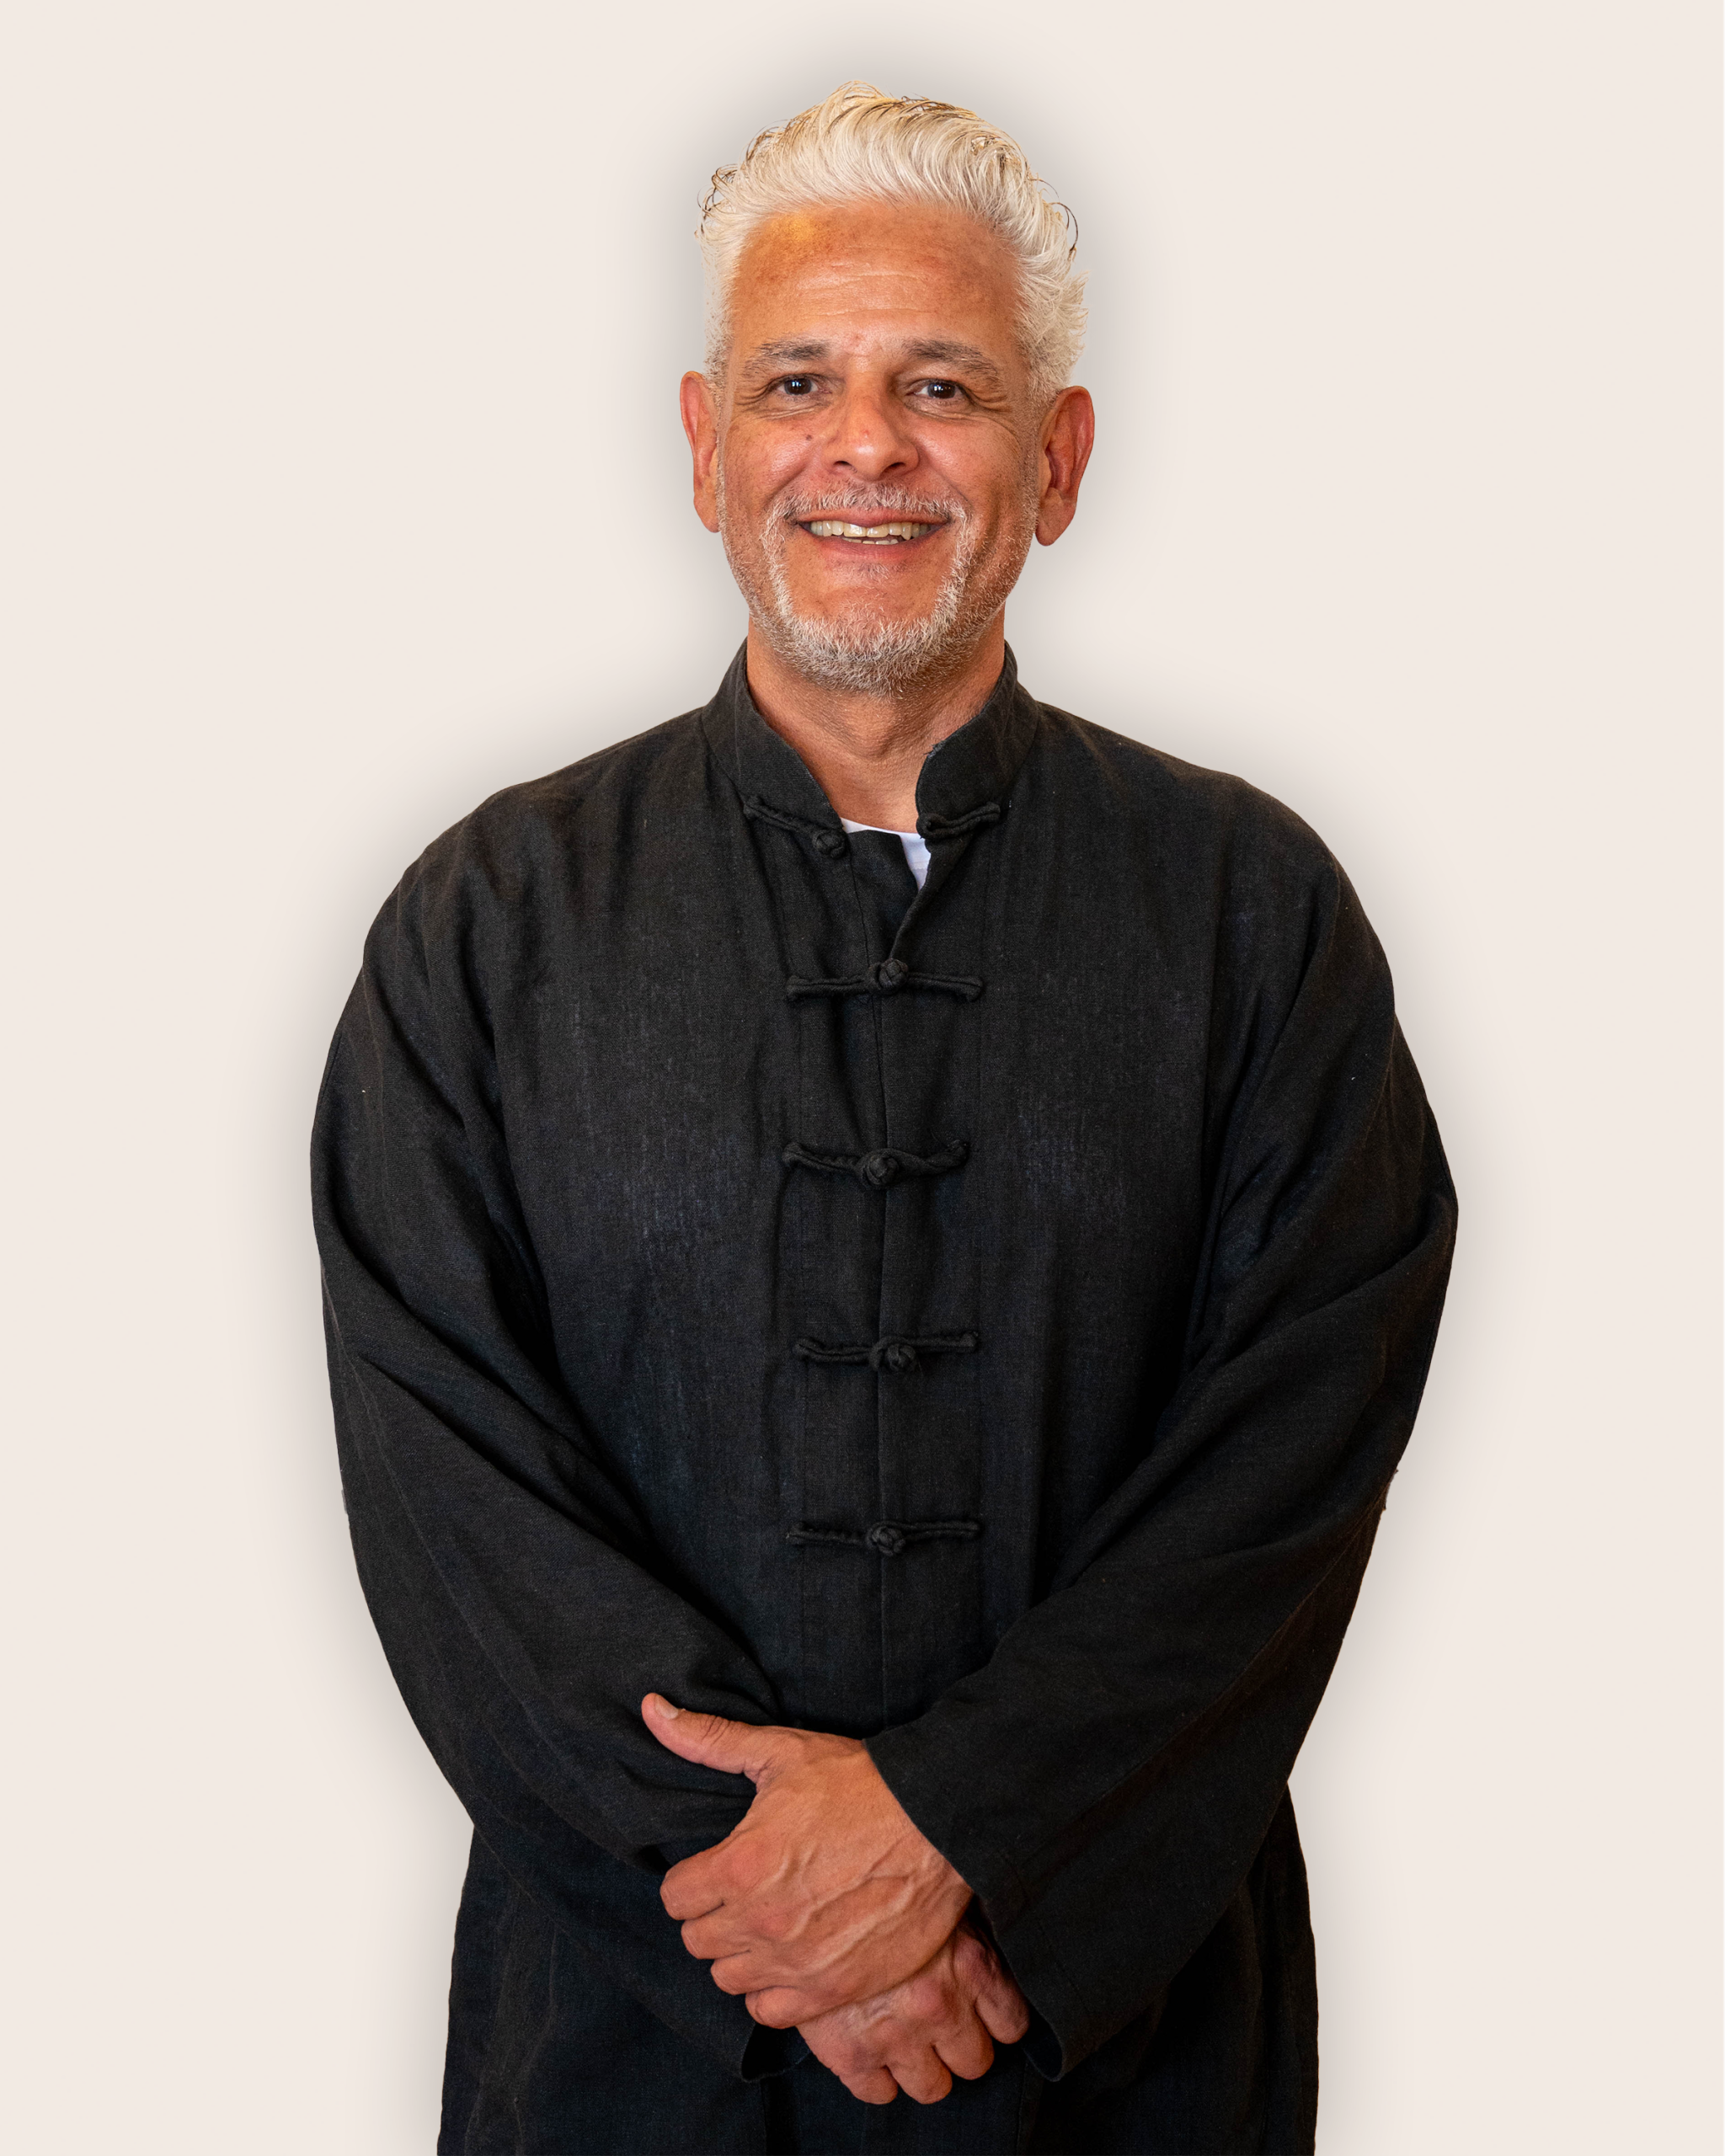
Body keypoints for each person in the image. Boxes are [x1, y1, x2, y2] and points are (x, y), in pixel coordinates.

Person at [312, 83, 1456, 2155]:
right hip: (628, 2050)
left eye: (942, 385)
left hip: (1115, 2033)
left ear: (1056, 460)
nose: (865, 445)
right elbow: (456, 1501)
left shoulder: (1250, 913)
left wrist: (971, 1835)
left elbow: (1285, 1470)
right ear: (703, 447)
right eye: (797, 383)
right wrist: (775, 1912)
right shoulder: (487, 923)